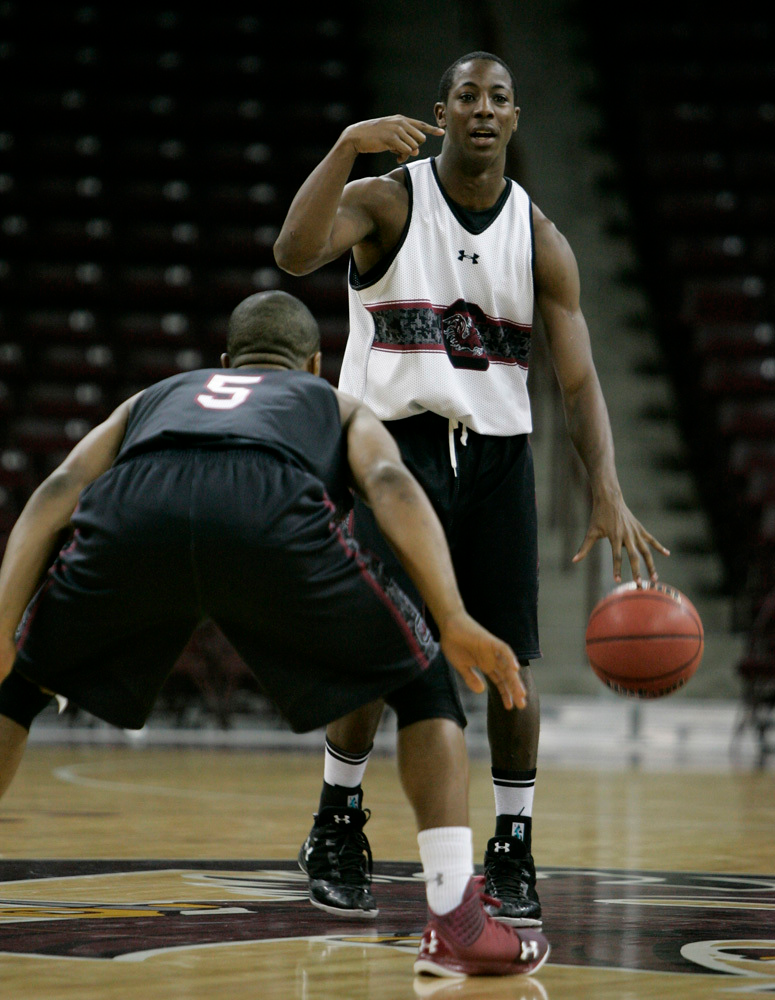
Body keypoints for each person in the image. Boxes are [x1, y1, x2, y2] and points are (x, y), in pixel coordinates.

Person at [0, 289, 549, 979]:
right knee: (424, 680)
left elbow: (56, 490)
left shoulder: (155, 396)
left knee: (17, 688)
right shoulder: (335, 402)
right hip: (267, 505)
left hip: (138, 507)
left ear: (224, 362)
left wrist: (2, 629)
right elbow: (386, 480)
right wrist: (452, 616)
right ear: (315, 364)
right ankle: (454, 920)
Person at [273, 51, 669, 926]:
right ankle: (336, 822)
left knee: (511, 664)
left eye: (496, 98)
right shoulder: (388, 200)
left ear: (515, 119)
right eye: (466, 96)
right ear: (442, 112)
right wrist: (344, 147)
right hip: (390, 447)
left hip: (495, 458)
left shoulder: (542, 238)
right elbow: (294, 251)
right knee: (383, 645)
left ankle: (514, 847)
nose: (481, 110)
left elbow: (576, 381)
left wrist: (603, 485)